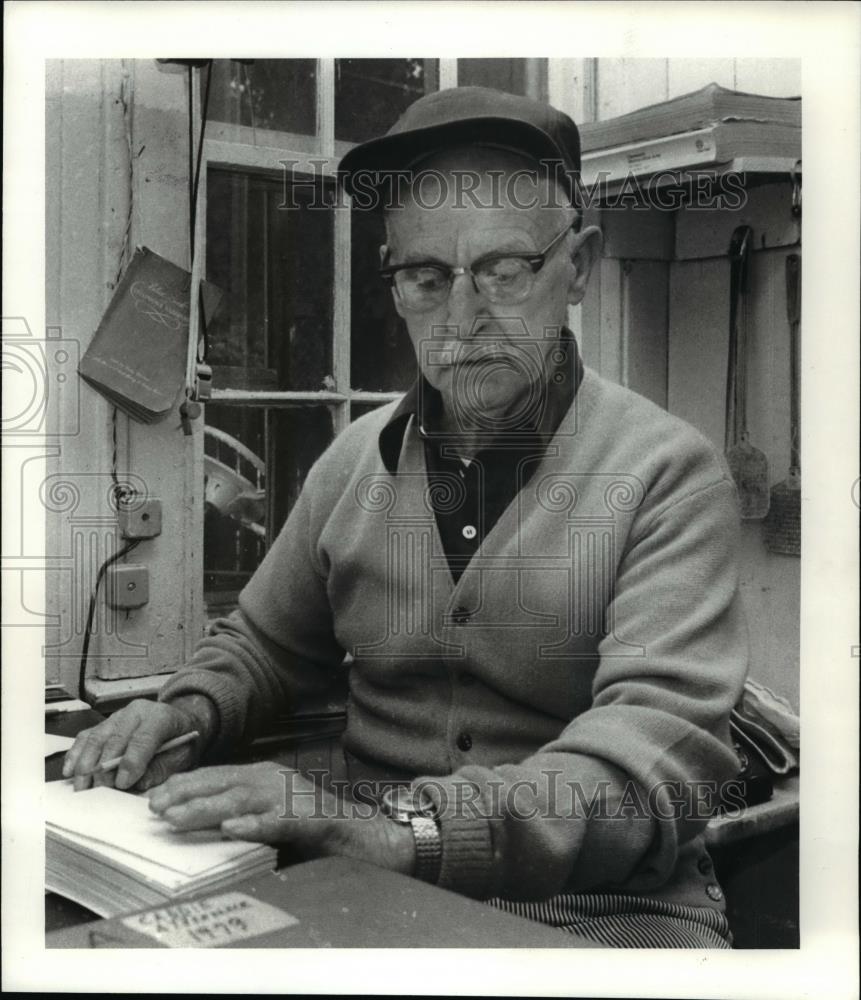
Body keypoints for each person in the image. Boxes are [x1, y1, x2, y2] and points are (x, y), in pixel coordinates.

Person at [63, 87, 748, 948]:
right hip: (369, 890)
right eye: (427, 279)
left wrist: (404, 831)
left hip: (607, 911)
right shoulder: (353, 461)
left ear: (577, 266)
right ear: (394, 284)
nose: (462, 320)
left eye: (503, 271)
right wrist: (184, 713)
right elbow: (266, 645)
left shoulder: (667, 476)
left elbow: (657, 757)